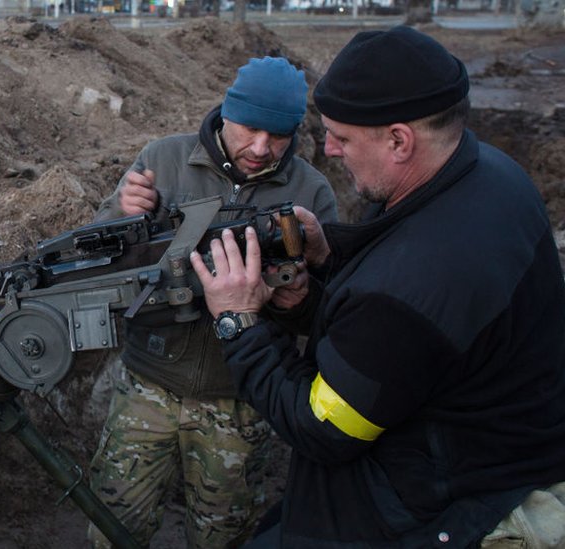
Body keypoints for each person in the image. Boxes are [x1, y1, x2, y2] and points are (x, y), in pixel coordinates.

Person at [190, 26, 565, 547]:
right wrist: (331, 253)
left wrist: (238, 321)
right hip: (484, 446)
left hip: (438, 500)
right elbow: (397, 296)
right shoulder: (492, 174)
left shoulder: (419, 282)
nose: (329, 150)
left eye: (341, 137)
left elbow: (323, 428)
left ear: (399, 139)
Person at [88, 57, 338, 548]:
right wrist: (121, 214)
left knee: (224, 535)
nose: (261, 148)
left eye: (279, 136)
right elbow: (98, 259)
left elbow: (330, 309)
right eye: (250, 129)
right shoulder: (164, 159)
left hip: (242, 403)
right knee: (113, 526)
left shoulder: (312, 192)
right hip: (148, 386)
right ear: (226, 111)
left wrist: (295, 300)